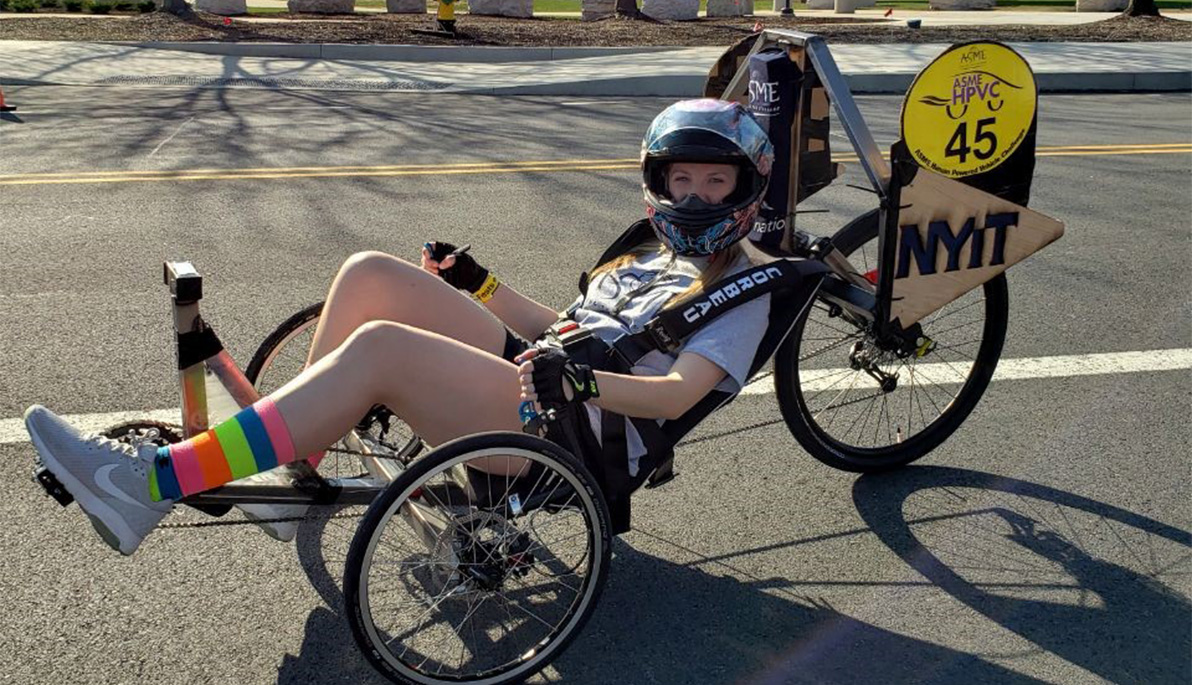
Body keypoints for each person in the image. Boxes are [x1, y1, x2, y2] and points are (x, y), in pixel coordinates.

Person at [24, 98, 776, 556]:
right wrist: (476, 283)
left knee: (381, 351)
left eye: (715, 181)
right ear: (658, 182)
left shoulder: (742, 288)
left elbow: (677, 395)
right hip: (546, 376)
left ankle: (150, 485)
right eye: (682, 178)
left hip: (575, 432)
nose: (696, 194)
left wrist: (578, 378)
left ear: (745, 190)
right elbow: (567, 323)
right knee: (370, 272)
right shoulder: (648, 252)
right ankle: (299, 460)